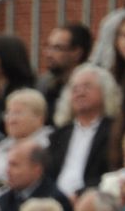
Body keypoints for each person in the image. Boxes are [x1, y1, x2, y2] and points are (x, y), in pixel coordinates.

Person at [46, 64, 118, 198]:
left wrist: (80, 195)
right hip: (55, 202)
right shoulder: (59, 134)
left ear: (105, 92)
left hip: (94, 199)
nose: (80, 92)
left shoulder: (114, 131)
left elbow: (111, 173)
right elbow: (48, 174)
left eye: (87, 86)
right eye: (75, 88)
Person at [38, 22, 93, 110]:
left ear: (77, 53)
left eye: (57, 48)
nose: (48, 54)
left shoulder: (95, 88)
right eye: (48, 47)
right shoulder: (45, 85)